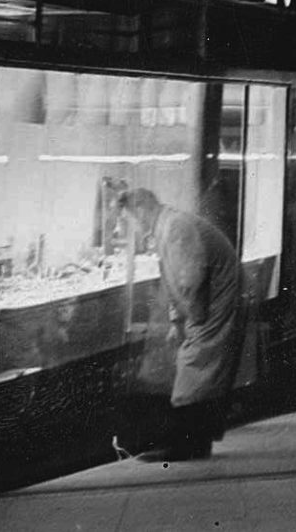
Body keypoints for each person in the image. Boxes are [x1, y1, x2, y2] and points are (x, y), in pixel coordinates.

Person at [111, 187, 244, 463]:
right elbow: (174, 278)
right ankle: (196, 442)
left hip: (216, 298)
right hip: (210, 298)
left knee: (194, 364)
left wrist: (192, 319)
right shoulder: (167, 227)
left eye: (130, 220)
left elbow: (189, 279)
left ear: (142, 210)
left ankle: (187, 445)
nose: (130, 228)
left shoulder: (175, 227)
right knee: (198, 367)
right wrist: (176, 321)